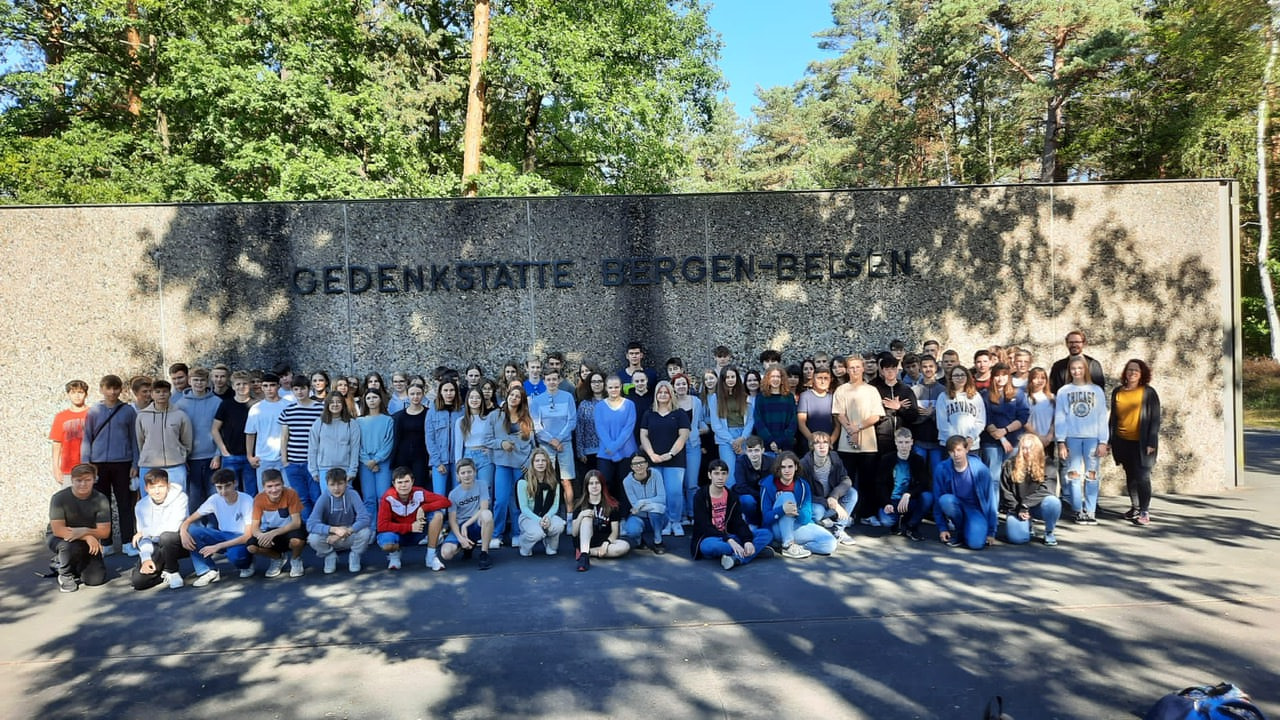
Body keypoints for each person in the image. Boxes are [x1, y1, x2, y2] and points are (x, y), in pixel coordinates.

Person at [81, 375, 139, 555]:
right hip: (98, 464)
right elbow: (87, 437)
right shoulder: (93, 411)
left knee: (125, 503)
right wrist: (86, 464)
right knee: (101, 505)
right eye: (109, 388)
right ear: (101, 390)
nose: (112, 392)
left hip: (123, 462)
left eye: (116, 388)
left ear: (121, 390)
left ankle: (128, 541)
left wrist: (135, 463)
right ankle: (106, 542)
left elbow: (135, 439)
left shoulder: (128, 411)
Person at [689, 459, 773, 570]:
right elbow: (704, 525)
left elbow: (738, 522)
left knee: (766, 534)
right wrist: (729, 540)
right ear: (710, 475)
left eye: (723, 473)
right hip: (711, 538)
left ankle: (736, 559)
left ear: (727, 475)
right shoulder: (700, 496)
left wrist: (747, 540)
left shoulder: (732, 496)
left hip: (732, 535)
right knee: (709, 547)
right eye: (716, 473)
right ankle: (754, 551)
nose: (720, 477)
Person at [1055, 356, 1110, 525]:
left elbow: (1102, 417)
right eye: (1073, 368)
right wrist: (1061, 441)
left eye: (1080, 368)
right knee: (1073, 474)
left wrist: (1103, 441)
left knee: (1092, 474)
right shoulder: (1064, 391)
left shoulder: (1096, 390)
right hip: (1072, 437)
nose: (1076, 371)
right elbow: (1060, 416)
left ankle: (1091, 510)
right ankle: (1078, 510)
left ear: (1085, 369)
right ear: (1069, 370)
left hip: (1092, 438)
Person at [180, 468, 255, 587]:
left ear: (235, 483)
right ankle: (208, 570)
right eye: (219, 487)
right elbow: (189, 520)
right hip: (222, 535)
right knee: (193, 531)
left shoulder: (246, 500)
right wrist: (183, 532)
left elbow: (248, 536)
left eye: (227, 486)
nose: (223, 491)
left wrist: (218, 546)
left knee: (237, 558)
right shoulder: (214, 499)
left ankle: (247, 564)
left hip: (240, 538)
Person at [831, 355, 883, 523]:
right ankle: (848, 514)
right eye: (851, 367)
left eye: (857, 367)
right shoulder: (841, 390)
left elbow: (876, 415)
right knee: (847, 481)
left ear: (862, 368)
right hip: (846, 445)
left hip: (868, 445)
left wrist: (858, 427)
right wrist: (850, 429)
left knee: (868, 481)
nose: (854, 370)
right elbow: (839, 413)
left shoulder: (871, 390)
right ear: (847, 369)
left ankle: (867, 514)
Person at [1110, 359, 1161, 526]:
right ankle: (1135, 507)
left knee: (1143, 477)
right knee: (1130, 476)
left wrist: (1151, 442)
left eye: (1136, 371)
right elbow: (1114, 418)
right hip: (1123, 441)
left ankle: (1145, 511)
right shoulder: (1118, 391)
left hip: (1143, 443)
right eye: (1129, 370)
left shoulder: (1148, 392)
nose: (1132, 373)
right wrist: (1110, 440)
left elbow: (1154, 419)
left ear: (1142, 374)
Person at [47, 463, 112, 592]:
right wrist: (87, 536)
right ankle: (65, 574)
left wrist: (85, 532)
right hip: (61, 537)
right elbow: (58, 529)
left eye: (88, 480)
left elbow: (105, 532)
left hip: (87, 539)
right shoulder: (59, 498)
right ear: (72, 480)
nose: (83, 484)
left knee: (95, 579)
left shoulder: (101, 499)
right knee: (70, 546)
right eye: (79, 480)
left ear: (94, 479)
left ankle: (66, 562)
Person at [639, 380, 691, 537]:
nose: (662, 395)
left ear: (671, 394)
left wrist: (670, 454)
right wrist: (651, 454)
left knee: (674, 492)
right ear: (656, 395)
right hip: (654, 460)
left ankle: (675, 521)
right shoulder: (649, 414)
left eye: (666, 392)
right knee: (658, 494)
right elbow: (643, 435)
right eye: (660, 392)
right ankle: (665, 523)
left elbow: (683, 436)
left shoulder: (679, 413)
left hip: (674, 460)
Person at [760, 451, 837, 557]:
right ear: (779, 469)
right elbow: (766, 518)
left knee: (829, 543)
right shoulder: (768, 485)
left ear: (796, 467)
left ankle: (796, 547)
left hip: (796, 525)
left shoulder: (803, 485)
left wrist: (795, 511)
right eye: (783, 467)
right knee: (787, 496)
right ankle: (788, 545)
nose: (787, 470)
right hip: (776, 527)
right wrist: (783, 510)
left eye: (790, 466)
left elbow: (806, 517)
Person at [378, 466, 451, 571]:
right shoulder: (388, 498)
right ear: (394, 484)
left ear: (412, 481)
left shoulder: (419, 492)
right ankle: (394, 555)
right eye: (400, 482)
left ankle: (431, 556)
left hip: (418, 532)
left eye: (407, 481)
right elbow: (382, 526)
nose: (403, 485)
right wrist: (410, 527)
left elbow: (446, 501)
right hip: (398, 534)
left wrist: (423, 508)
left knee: (438, 515)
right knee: (387, 545)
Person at [130, 468, 190, 590]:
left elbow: (173, 527)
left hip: (179, 542)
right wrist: (146, 558)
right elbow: (143, 538)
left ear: (168, 486)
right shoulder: (141, 506)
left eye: (161, 487)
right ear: (146, 488)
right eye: (152, 488)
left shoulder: (181, 498)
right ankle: (162, 572)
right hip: (155, 544)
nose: (157, 491)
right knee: (139, 582)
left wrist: (145, 532)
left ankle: (172, 571)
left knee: (167, 537)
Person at [934, 435, 997, 550]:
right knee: (945, 500)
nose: (956, 454)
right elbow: (937, 498)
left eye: (959, 450)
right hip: (956, 505)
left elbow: (991, 500)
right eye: (952, 451)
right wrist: (942, 528)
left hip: (975, 509)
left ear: (966, 450)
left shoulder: (981, 469)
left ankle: (967, 532)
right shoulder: (941, 469)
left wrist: (991, 532)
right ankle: (960, 531)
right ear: (948, 453)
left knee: (976, 544)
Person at [454, 387, 499, 548]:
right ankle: (467, 529)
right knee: (469, 493)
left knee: (486, 492)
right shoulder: (461, 421)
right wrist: (458, 468)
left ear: (482, 400)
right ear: (467, 401)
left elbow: (494, 438)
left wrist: (491, 450)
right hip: (468, 456)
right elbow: (458, 446)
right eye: (471, 397)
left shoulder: (489, 418)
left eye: (477, 397)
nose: (474, 400)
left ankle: (486, 531)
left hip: (485, 457)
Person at [306, 468, 372, 574]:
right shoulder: (324, 497)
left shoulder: (352, 494)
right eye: (332, 485)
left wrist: (346, 531)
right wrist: (334, 530)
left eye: (340, 484)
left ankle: (355, 555)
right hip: (330, 536)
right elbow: (311, 524)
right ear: (327, 485)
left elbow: (365, 518)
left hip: (349, 533)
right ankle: (329, 555)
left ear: (346, 482)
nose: (336, 488)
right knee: (313, 538)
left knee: (365, 532)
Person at [1000, 434, 1062, 546]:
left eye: (1031, 448)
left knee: (1053, 502)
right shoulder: (1009, 464)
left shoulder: (1048, 463)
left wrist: (1025, 505)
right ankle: (1027, 524)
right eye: (1024, 448)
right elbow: (1006, 491)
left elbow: (1047, 489)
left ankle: (1049, 531)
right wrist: (1018, 508)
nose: (1027, 451)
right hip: (1017, 508)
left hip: (1037, 506)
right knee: (1017, 539)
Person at [493, 383, 535, 546]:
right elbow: (488, 439)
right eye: (512, 395)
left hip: (521, 464)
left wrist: (529, 461)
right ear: (507, 396)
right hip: (502, 462)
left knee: (517, 501)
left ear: (521, 400)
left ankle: (517, 533)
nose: (514, 398)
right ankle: (497, 534)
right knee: (501, 500)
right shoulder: (496, 416)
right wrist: (501, 443)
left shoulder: (527, 419)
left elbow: (533, 444)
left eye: (518, 396)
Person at [278, 374, 326, 520]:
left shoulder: (320, 409)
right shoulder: (288, 410)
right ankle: (309, 528)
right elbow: (284, 437)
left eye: (303, 388)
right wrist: (285, 461)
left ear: (309, 389)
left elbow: (324, 435)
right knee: (302, 498)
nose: (300, 392)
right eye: (296, 389)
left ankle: (319, 526)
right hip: (293, 462)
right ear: (292, 390)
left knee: (316, 497)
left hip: (313, 462)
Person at [136, 379, 193, 498]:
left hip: (175, 466)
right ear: (152, 394)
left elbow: (187, 441)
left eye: (164, 391)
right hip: (149, 466)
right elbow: (140, 440)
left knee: (178, 502)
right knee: (149, 503)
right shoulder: (142, 416)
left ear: (169, 394)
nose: (161, 394)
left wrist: (180, 454)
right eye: (157, 391)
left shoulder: (180, 415)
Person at [531, 367, 578, 512]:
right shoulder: (537, 400)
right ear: (543, 381)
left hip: (564, 444)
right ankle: (546, 513)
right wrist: (552, 440)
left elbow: (571, 421)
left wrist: (559, 439)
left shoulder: (568, 397)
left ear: (559, 380)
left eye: (554, 379)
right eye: (548, 379)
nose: (552, 382)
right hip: (546, 446)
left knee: (566, 481)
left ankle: (569, 516)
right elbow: (537, 425)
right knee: (546, 480)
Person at [245, 468, 306, 578]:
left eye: (277, 485)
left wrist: (274, 533)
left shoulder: (291, 494)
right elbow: (254, 527)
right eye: (269, 486)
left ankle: (295, 559)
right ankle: (277, 558)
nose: (274, 490)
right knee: (251, 547)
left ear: (283, 484)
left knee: (297, 541)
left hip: (289, 529)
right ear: (264, 487)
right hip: (270, 531)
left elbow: (296, 522)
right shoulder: (259, 499)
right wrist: (262, 536)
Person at [799, 432, 857, 545]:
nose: (822, 446)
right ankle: (818, 528)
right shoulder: (804, 464)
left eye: (825, 442)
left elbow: (846, 479)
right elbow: (804, 494)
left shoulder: (834, 458)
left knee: (852, 493)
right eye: (817, 443)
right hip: (815, 502)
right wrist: (830, 502)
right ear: (812, 446)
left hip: (831, 498)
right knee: (818, 511)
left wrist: (834, 497)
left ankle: (839, 530)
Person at [308, 393, 362, 515]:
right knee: (327, 502)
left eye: (338, 402)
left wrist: (352, 470)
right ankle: (330, 530)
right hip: (324, 468)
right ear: (327, 405)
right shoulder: (319, 423)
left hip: (345, 469)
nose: (335, 405)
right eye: (332, 402)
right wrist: (313, 470)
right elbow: (312, 448)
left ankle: (347, 530)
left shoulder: (351, 424)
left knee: (346, 503)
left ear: (343, 404)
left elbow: (355, 448)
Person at [875, 429, 933, 541]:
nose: (904, 446)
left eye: (907, 442)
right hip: (892, 500)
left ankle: (911, 526)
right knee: (886, 521)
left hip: (909, 500)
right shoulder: (887, 459)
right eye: (900, 442)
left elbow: (924, 483)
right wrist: (886, 502)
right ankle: (896, 523)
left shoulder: (917, 460)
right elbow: (880, 484)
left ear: (912, 442)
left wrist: (908, 494)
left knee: (928, 497)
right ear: (895, 442)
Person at [439, 458, 494, 570]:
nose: (466, 475)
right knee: (446, 553)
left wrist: (466, 524)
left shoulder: (482, 485)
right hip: (460, 526)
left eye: (469, 472)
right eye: (463, 473)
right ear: (458, 475)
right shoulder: (453, 494)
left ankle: (484, 553)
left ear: (474, 472)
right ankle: (466, 547)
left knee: (487, 515)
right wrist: (460, 538)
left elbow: (484, 508)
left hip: (475, 523)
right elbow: (452, 520)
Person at [571, 470, 631, 571]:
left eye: (597, 483)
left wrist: (606, 543)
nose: (594, 486)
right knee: (587, 518)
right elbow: (574, 532)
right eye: (591, 483)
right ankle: (584, 557)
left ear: (602, 485)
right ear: (586, 486)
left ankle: (585, 553)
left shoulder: (612, 504)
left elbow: (615, 532)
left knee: (624, 546)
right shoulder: (579, 504)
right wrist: (581, 515)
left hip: (603, 542)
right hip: (584, 540)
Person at [595, 375, 638, 511]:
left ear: (621, 388)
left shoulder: (630, 405)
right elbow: (600, 428)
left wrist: (614, 448)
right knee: (605, 483)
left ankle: (625, 516)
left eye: (616, 387)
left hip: (626, 452)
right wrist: (612, 449)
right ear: (606, 388)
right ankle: (608, 514)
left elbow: (628, 429)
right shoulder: (600, 406)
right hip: (605, 453)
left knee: (625, 484)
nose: (614, 390)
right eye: (610, 387)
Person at [211, 371, 257, 494]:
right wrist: (223, 450)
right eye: (238, 384)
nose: (242, 387)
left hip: (251, 457)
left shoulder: (256, 405)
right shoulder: (226, 404)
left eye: (245, 384)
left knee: (251, 491)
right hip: (230, 456)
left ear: (250, 385)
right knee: (229, 491)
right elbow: (215, 429)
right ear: (233, 386)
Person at [245, 371, 289, 499]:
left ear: (278, 386)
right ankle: (267, 520)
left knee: (287, 492)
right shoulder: (256, 408)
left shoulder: (288, 405)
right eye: (266, 386)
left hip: (285, 457)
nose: (269, 389)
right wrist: (249, 456)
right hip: (263, 458)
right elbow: (250, 433)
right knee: (266, 495)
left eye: (272, 385)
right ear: (262, 387)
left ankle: (289, 519)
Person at [980, 363, 1029, 477]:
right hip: (991, 442)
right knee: (994, 477)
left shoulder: (1019, 394)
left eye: (1004, 375)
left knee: (1011, 476)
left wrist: (1005, 430)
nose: (1001, 379)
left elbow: (1023, 417)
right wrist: (1002, 438)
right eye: (997, 375)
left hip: (1013, 440)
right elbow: (986, 418)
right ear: (993, 377)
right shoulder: (985, 395)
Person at [708, 365, 754, 486]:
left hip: (743, 437)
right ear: (722, 380)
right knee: (729, 475)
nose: (730, 379)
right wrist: (732, 441)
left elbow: (750, 420)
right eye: (727, 377)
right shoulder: (715, 398)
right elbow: (716, 425)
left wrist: (742, 438)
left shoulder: (745, 396)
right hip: (725, 439)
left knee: (745, 472)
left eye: (733, 376)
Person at [516, 448, 566, 556]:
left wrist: (547, 517)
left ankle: (550, 544)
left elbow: (555, 505)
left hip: (547, 515)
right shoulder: (523, 482)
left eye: (543, 460)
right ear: (532, 463)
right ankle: (523, 544)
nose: (540, 463)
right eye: (537, 461)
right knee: (537, 533)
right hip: (528, 516)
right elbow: (523, 508)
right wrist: (539, 520)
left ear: (547, 462)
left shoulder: (553, 481)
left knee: (559, 525)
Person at [357, 387, 396, 520]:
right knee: (369, 498)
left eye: (374, 397)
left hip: (383, 463)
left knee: (383, 497)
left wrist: (377, 460)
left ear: (380, 399)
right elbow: (357, 443)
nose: (371, 400)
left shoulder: (388, 420)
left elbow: (388, 442)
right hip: (365, 463)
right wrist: (368, 461)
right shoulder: (359, 421)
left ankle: (383, 527)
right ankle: (371, 528)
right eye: (368, 398)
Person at [672, 373, 705, 525]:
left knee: (692, 483)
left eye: (684, 384)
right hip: (676, 447)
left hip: (693, 445)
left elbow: (702, 423)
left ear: (688, 385)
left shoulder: (696, 401)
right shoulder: (671, 403)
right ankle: (682, 514)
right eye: (678, 384)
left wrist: (696, 432)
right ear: (673, 386)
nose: (681, 387)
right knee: (678, 484)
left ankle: (693, 513)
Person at [622, 454, 667, 553]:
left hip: (657, 516)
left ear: (647, 464)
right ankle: (639, 541)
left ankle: (658, 541)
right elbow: (634, 504)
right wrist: (639, 506)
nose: (639, 466)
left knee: (656, 509)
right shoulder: (627, 481)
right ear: (631, 467)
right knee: (632, 530)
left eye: (641, 462)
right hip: (639, 516)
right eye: (635, 464)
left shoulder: (656, 474)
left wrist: (642, 502)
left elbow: (662, 498)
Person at [427, 378, 464, 498]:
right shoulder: (433, 411)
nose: (449, 393)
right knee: (439, 495)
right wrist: (437, 462)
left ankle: (457, 517)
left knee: (457, 494)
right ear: (440, 392)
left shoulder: (462, 411)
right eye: (446, 390)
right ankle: (440, 516)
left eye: (452, 390)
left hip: (458, 460)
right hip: (440, 460)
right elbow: (429, 438)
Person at [50, 379, 90, 489]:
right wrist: (55, 467)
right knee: (68, 503)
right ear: (68, 394)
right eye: (73, 392)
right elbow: (57, 443)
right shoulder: (61, 417)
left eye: (80, 392)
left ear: (86, 394)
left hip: (90, 468)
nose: (77, 396)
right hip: (68, 470)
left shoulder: (94, 414)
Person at [910, 355, 946, 470]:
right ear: (920, 369)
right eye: (925, 366)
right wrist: (922, 414)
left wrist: (933, 413)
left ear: (936, 368)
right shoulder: (914, 390)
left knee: (937, 472)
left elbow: (947, 415)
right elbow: (911, 415)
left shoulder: (943, 390)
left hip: (938, 441)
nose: (928, 369)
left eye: (931, 366)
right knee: (918, 472)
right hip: (919, 440)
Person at [936, 366, 985, 451]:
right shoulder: (943, 397)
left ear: (967, 377)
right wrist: (957, 441)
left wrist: (971, 437)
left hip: (971, 445)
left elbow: (980, 421)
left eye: (963, 375)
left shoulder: (976, 396)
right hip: (950, 445)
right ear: (951, 378)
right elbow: (942, 423)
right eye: (956, 375)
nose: (960, 378)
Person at [391, 383, 429, 486]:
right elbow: (396, 439)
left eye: (418, 393)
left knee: (419, 486)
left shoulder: (429, 414)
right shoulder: (399, 416)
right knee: (403, 486)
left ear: (423, 394)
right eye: (412, 394)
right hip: (402, 457)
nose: (415, 397)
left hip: (422, 457)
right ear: (407, 395)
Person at [753, 365, 798, 454]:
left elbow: (793, 422)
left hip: (785, 445)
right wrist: (771, 441)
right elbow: (758, 421)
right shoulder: (761, 397)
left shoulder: (789, 398)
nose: (775, 379)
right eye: (772, 377)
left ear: (782, 379)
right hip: (766, 445)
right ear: (767, 379)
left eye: (778, 377)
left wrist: (779, 442)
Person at [797, 366, 837, 453]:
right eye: (819, 378)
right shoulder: (805, 396)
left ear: (830, 380)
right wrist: (813, 440)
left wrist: (830, 442)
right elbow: (801, 423)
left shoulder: (833, 397)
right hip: (809, 443)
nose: (822, 381)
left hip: (828, 444)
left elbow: (837, 425)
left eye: (826, 378)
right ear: (813, 379)